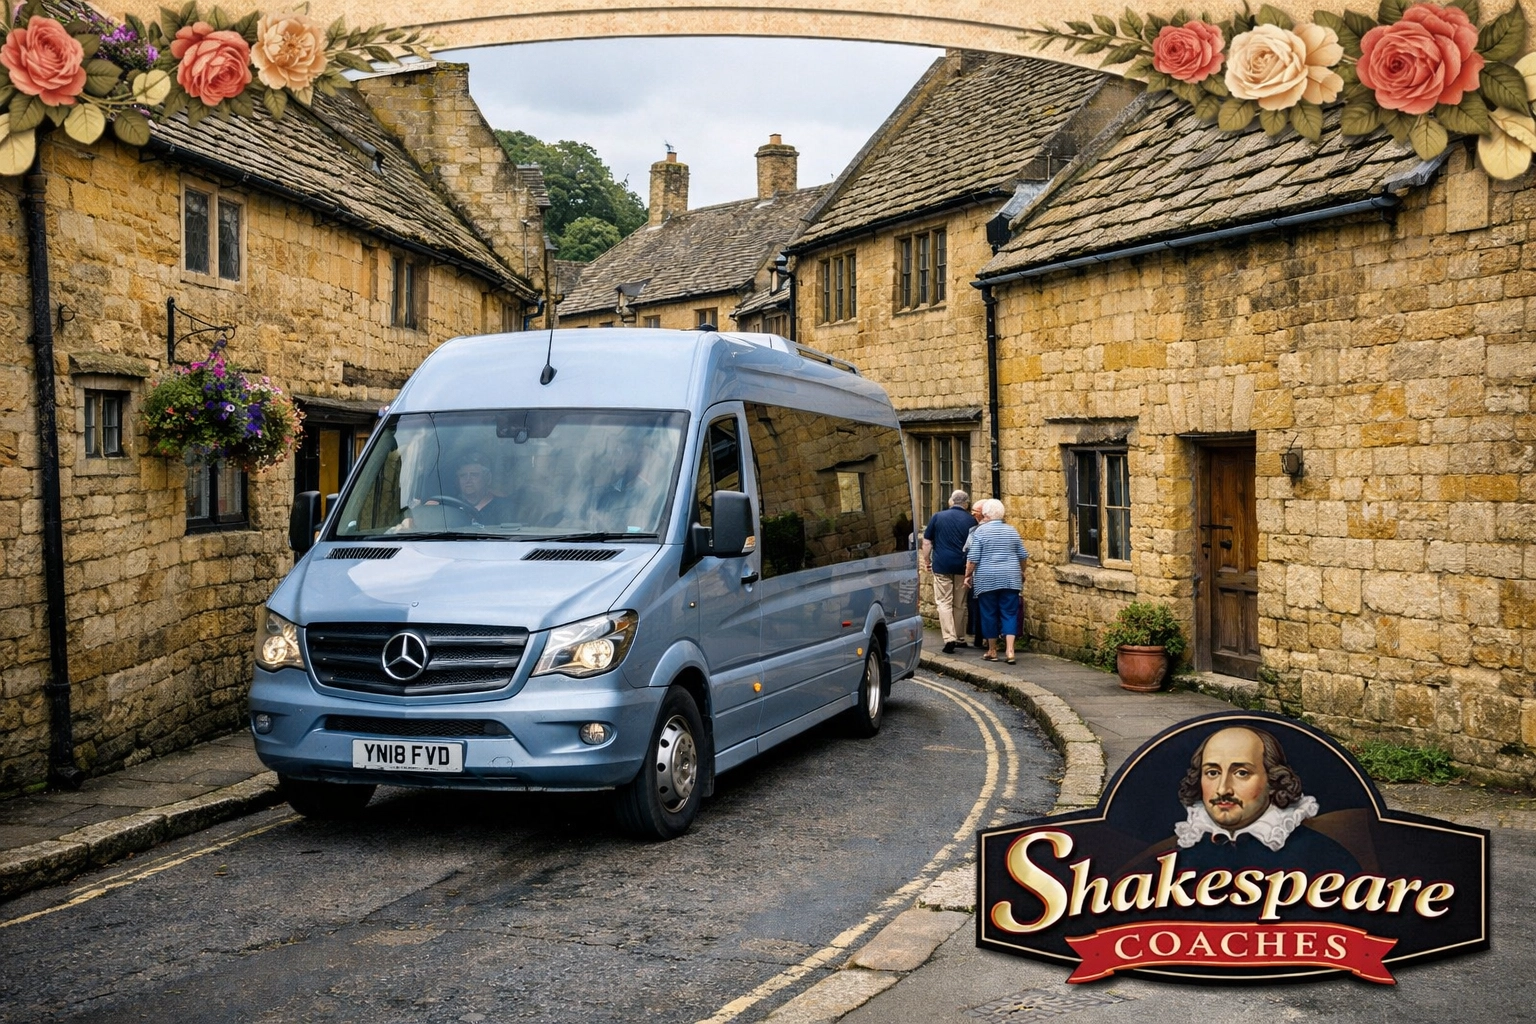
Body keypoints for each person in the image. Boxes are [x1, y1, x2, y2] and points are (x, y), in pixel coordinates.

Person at [1171, 725, 1360, 873]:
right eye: (1212, 772)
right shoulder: (1182, 855)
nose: (1223, 789)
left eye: (1241, 773)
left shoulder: (1321, 856)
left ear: (1273, 780)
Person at [964, 498, 1028, 664]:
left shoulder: (980, 532)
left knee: (989, 613)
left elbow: (973, 558)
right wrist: (1022, 571)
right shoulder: (1012, 531)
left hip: (986, 578)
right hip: (1011, 578)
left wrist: (967, 576)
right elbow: (1022, 556)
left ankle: (992, 650)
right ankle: (1010, 651)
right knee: (1010, 613)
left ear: (985, 514)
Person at [921, 490, 974, 653]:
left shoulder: (938, 517)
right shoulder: (971, 520)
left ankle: (949, 638)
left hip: (942, 565)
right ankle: (959, 637)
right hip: (962, 567)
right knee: (960, 603)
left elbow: (927, 542)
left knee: (944, 602)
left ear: (951, 501)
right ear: (966, 504)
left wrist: (927, 561)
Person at [964, 499, 986, 649]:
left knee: (980, 606)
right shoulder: (1007, 529)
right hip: (1001, 575)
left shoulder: (976, 532)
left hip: (981, 575)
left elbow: (970, 554)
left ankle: (982, 638)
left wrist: (968, 575)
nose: (972, 516)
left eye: (975, 513)